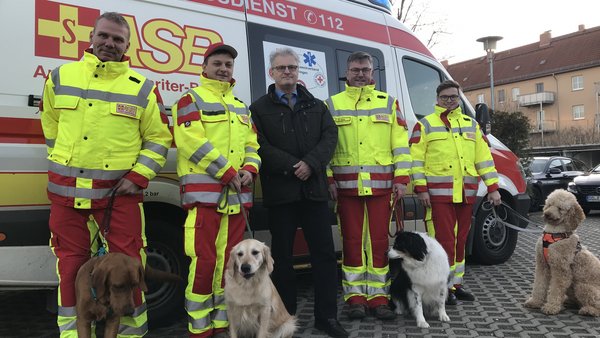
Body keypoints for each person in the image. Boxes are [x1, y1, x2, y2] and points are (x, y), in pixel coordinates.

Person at [40, 12, 172, 337]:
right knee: (70, 267)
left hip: (120, 195)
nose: (110, 43)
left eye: (118, 39)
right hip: (66, 193)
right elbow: (50, 124)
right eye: (104, 36)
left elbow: (159, 138)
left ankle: (128, 334)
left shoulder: (142, 88)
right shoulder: (60, 76)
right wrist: (63, 158)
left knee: (129, 269)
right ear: (92, 37)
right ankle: (73, 334)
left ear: (127, 46)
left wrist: (139, 176)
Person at [249, 48, 348, 338]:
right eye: (281, 68)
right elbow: (260, 145)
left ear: (298, 72)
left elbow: (330, 137)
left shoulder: (316, 105)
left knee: (325, 257)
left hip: (314, 191)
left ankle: (327, 318)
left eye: (292, 67)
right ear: (272, 73)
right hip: (282, 194)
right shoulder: (259, 108)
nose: (288, 72)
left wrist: (312, 164)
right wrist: (295, 166)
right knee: (281, 260)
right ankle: (283, 319)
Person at [171, 43, 260, 338]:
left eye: (228, 65)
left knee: (231, 264)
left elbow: (252, 146)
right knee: (204, 261)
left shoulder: (241, 107)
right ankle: (199, 328)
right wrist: (228, 171)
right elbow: (191, 143)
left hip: (236, 199)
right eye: (217, 63)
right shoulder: (189, 100)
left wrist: (250, 169)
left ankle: (222, 322)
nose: (223, 69)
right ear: (204, 67)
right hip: (204, 200)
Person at [326, 51, 411, 321]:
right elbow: (325, 147)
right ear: (347, 73)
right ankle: (355, 300)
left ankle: (378, 299)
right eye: (355, 69)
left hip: (381, 188)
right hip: (346, 188)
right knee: (351, 243)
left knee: (377, 243)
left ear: (372, 73)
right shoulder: (332, 104)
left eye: (365, 69)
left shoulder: (389, 103)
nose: (360, 74)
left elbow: (400, 144)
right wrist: (328, 177)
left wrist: (401, 179)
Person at [409, 79, 501, 305]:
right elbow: (415, 161)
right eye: (445, 97)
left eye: (454, 97)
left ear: (459, 98)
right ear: (437, 99)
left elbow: (484, 159)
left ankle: (455, 285)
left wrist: (493, 188)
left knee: (460, 242)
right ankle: (440, 287)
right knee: (443, 243)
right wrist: (421, 189)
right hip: (438, 197)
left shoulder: (471, 125)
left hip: (466, 194)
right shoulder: (425, 125)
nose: (450, 101)